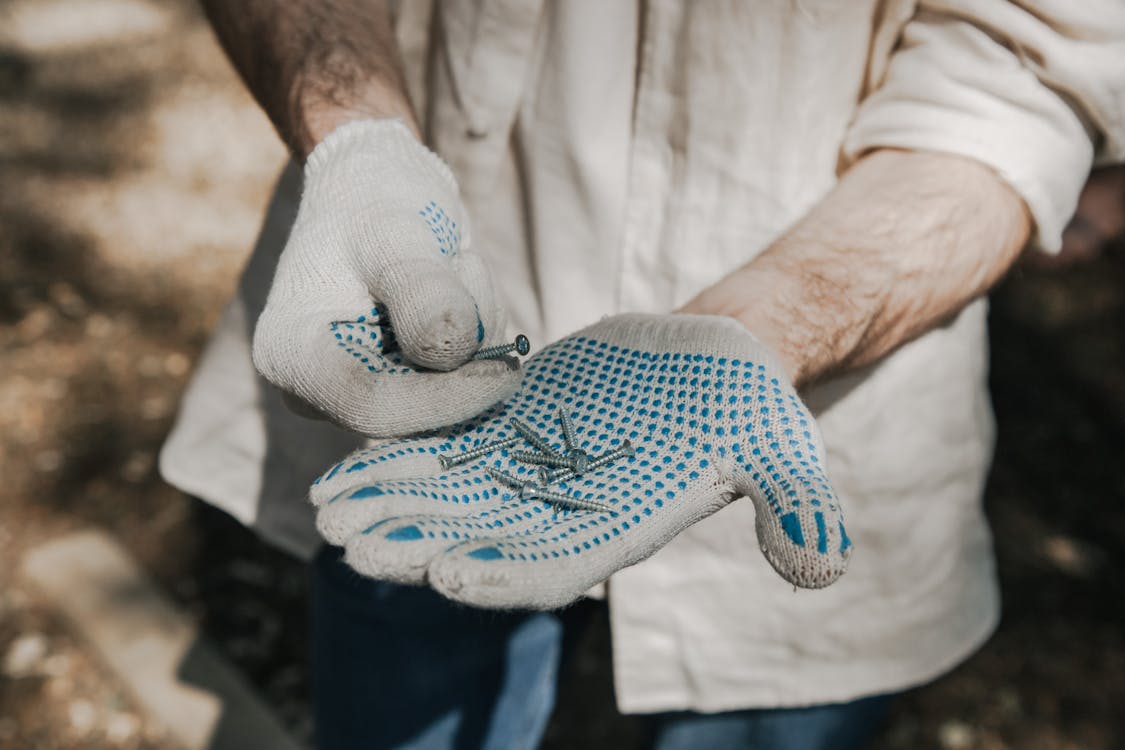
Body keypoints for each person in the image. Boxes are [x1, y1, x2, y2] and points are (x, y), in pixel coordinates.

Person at [159, 2, 1125, 748]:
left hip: (819, 398)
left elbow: (1020, 79)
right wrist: (356, 139)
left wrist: (762, 331)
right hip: (431, 402)